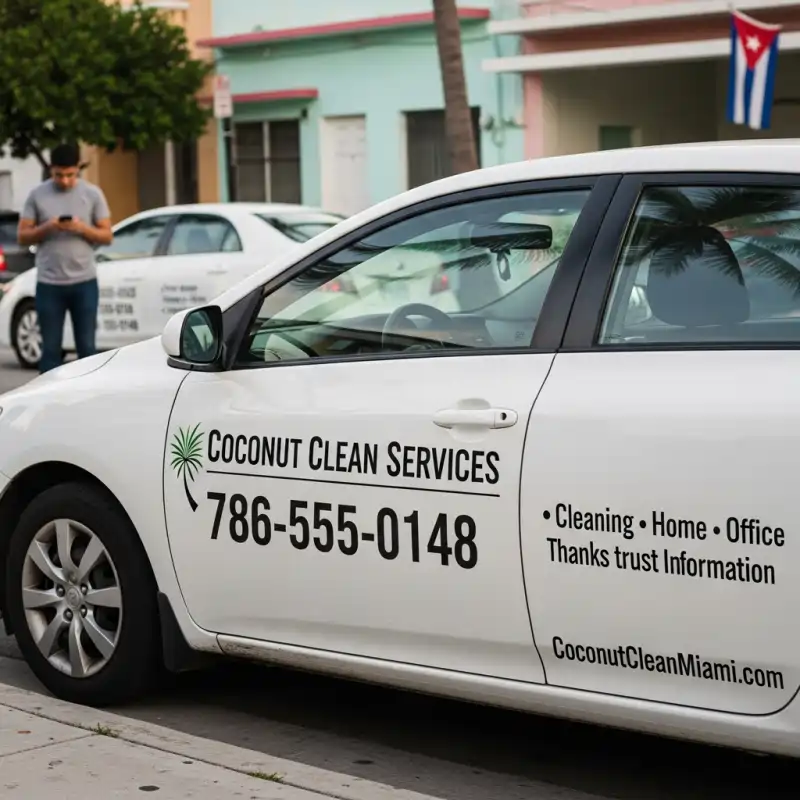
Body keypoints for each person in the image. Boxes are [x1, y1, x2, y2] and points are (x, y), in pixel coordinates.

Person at [17, 142, 113, 373]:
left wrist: (82, 229)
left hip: (84, 283)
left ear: (78, 168)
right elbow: (22, 236)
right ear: (51, 169)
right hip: (50, 284)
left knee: (87, 349)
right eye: (59, 175)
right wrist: (48, 227)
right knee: (49, 351)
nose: (65, 181)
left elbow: (107, 235)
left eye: (70, 175)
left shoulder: (92, 194)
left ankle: (86, 399)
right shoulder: (37, 195)